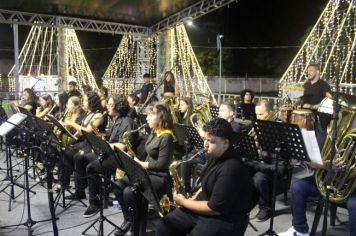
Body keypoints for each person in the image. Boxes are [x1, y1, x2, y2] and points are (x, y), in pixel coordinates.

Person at [155, 118, 253, 236]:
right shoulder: (215, 155)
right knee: (164, 226)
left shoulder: (231, 168)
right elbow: (204, 185)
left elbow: (214, 209)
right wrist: (193, 198)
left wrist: (184, 201)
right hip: (207, 208)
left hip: (226, 218)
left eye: (211, 141)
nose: (205, 144)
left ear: (226, 143)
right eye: (205, 139)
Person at [114, 103, 175, 236]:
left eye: (150, 115)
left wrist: (140, 163)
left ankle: (138, 229)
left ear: (160, 117)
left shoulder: (166, 137)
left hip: (159, 177)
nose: (146, 118)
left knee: (130, 193)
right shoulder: (154, 132)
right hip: (147, 172)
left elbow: (162, 165)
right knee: (118, 185)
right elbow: (148, 155)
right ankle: (130, 219)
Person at [70, 94, 135, 218]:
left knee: (92, 167)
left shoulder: (127, 122)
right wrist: (101, 138)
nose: (108, 107)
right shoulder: (116, 120)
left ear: (118, 106)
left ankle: (95, 203)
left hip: (119, 159)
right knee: (81, 157)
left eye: (111, 105)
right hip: (111, 154)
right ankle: (81, 189)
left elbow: (122, 146)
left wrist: (105, 144)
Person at [278, 164, 356, 236]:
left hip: (352, 188)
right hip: (326, 180)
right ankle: (300, 230)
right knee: (298, 187)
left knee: (354, 205)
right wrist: (324, 165)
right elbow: (311, 164)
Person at [243, 99, 288, 221]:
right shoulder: (260, 125)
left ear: (270, 112)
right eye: (256, 114)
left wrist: (264, 145)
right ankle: (244, 202)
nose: (258, 118)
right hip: (263, 161)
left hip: (278, 164)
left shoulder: (280, 127)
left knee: (259, 176)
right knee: (242, 166)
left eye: (261, 114)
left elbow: (284, 155)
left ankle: (265, 208)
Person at [295, 63, 331, 149]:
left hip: (319, 117)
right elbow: (301, 98)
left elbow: (328, 102)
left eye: (311, 70)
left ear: (318, 72)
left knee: (317, 145)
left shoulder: (324, 85)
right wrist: (296, 102)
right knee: (304, 141)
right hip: (305, 118)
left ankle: (316, 160)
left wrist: (311, 107)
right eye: (308, 71)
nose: (308, 73)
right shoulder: (306, 85)